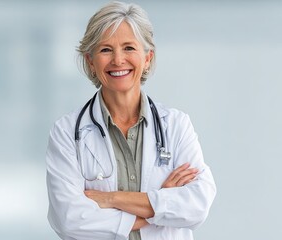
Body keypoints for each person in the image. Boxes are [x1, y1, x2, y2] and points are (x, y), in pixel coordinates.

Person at [45, 1, 216, 239]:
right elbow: (68, 219)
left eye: (129, 48)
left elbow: (196, 206)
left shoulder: (176, 125)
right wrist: (158, 205)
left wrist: (109, 199)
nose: (118, 60)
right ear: (90, 61)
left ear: (147, 58)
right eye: (105, 50)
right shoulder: (66, 132)